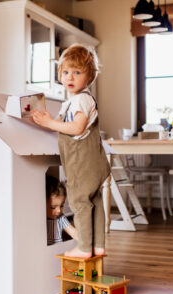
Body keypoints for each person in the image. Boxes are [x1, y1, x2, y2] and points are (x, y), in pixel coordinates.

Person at [32, 43, 110, 258]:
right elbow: (58, 124)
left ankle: (84, 247)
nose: (70, 77)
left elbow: (77, 127)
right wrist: (45, 121)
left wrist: (49, 124)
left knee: (79, 202)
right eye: (65, 72)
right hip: (93, 163)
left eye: (77, 72)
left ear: (89, 76)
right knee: (94, 201)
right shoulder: (70, 103)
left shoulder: (81, 100)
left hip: (83, 163)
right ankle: (98, 246)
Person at [46, 175, 76, 245]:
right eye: (53, 207)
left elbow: (74, 233)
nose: (59, 210)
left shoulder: (61, 218)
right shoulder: (40, 220)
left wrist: (86, 243)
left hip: (57, 252)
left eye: (61, 206)